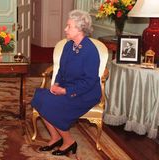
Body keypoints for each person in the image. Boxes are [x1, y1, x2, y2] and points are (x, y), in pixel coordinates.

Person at [31, 10, 101, 156]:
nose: (65, 29)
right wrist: (56, 83)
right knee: (40, 97)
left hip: (86, 93)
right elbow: (61, 70)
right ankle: (55, 137)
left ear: (80, 29)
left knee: (52, 104)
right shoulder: (69, 46)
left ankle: (69, 141)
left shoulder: (90, 51)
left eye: (69, 26)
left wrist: (65, 91)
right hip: (67, 87)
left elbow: (89, 81)